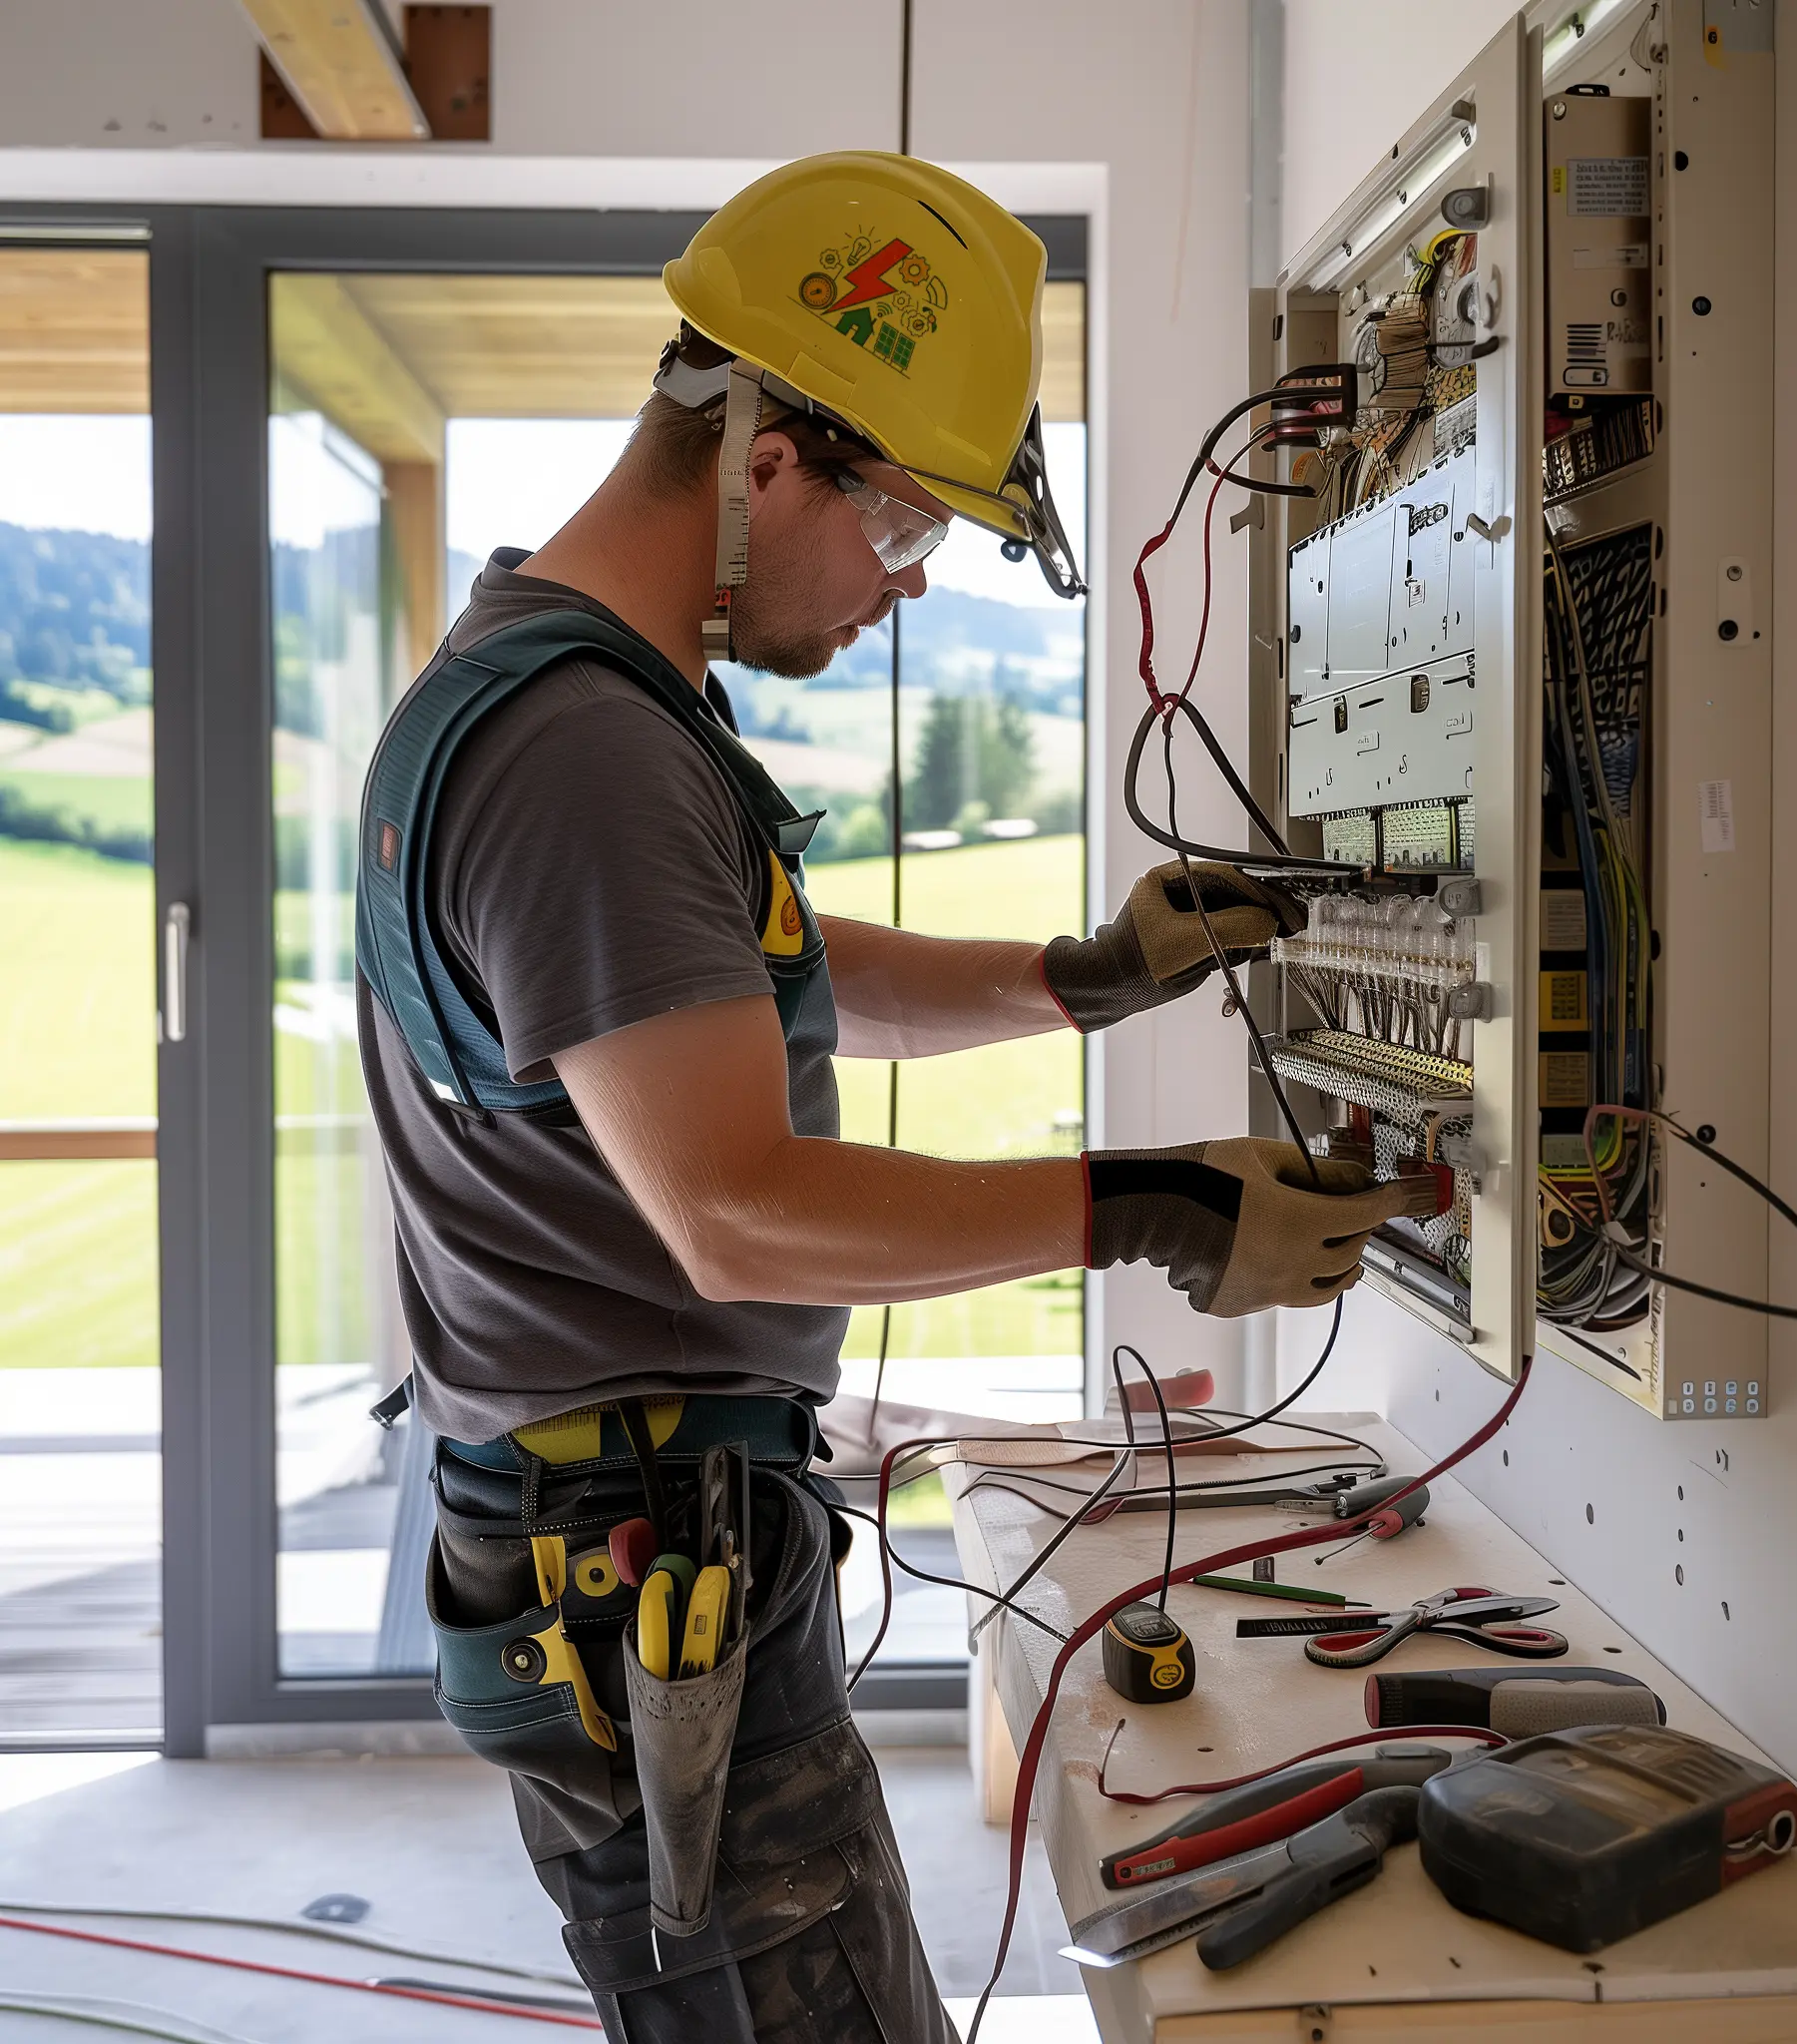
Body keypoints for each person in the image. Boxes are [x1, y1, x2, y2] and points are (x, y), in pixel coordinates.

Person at [355, 152, 1439, 2044]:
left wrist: (1080, 979)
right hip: (639, 1565)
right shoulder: (585, 751)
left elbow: (758, 971)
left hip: (635, 1539)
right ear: (768, 449)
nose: (905, 590)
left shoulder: (582, 696)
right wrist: (1157, 1205)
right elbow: (732, 1204)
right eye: (907, 529)